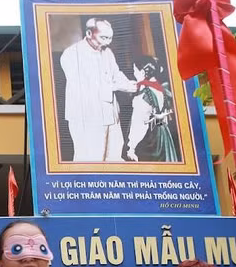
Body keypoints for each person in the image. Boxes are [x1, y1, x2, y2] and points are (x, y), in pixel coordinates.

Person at [58, 18, 137, 162]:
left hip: (110, 114)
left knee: (114, 157)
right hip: (87, 117)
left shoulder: (107, 52)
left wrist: (128, 84)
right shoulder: (71, 54)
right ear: (89, 33)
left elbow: (115, 74)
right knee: (91, 160)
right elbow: (83, 86)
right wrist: (116, 86)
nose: (108, 42)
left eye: (110, 38)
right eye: (104, 37)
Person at [125, 55, 176, 163]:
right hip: (163, 135)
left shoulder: (144, 96)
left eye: (135, 70)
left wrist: (131, 147)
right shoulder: (160, 89)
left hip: (150, 140)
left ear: (142, 73)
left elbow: (139, 124)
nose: (134, 74)